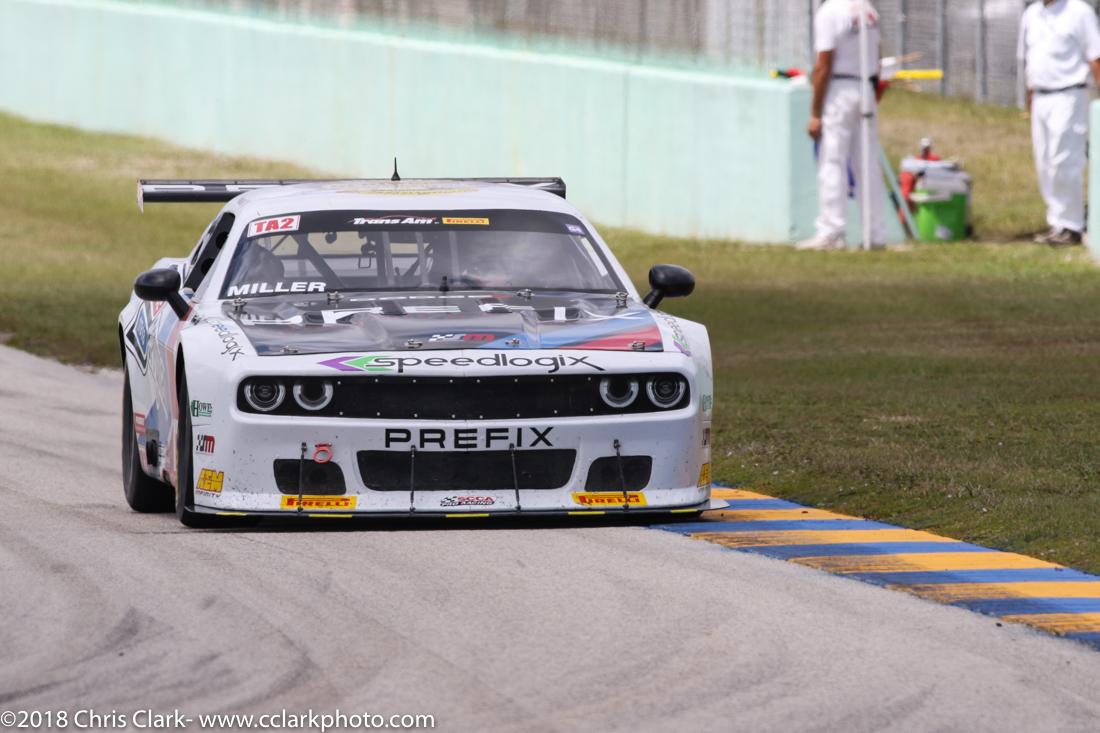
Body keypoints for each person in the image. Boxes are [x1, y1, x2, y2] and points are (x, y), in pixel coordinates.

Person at [798, 0, 887, 251]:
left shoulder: (830, 12)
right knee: (867, 164)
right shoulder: (868, 9)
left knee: (832, 160)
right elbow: (878, 54)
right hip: (865, 86)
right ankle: (876, 233)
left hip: (839, 90)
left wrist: (815, 113)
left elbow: (823, 64)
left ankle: (831, 230)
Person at [1018, 0, 1100, 247]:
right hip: (1040, 96)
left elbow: (1095, 57)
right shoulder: (1031, 14)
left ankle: (1072, 225)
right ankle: (1058, 222)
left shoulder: (1079, 11)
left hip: (1069, 95)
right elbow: (1029, 60)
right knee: (1044, 162)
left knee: (1064, 160)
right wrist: (1030, 98)